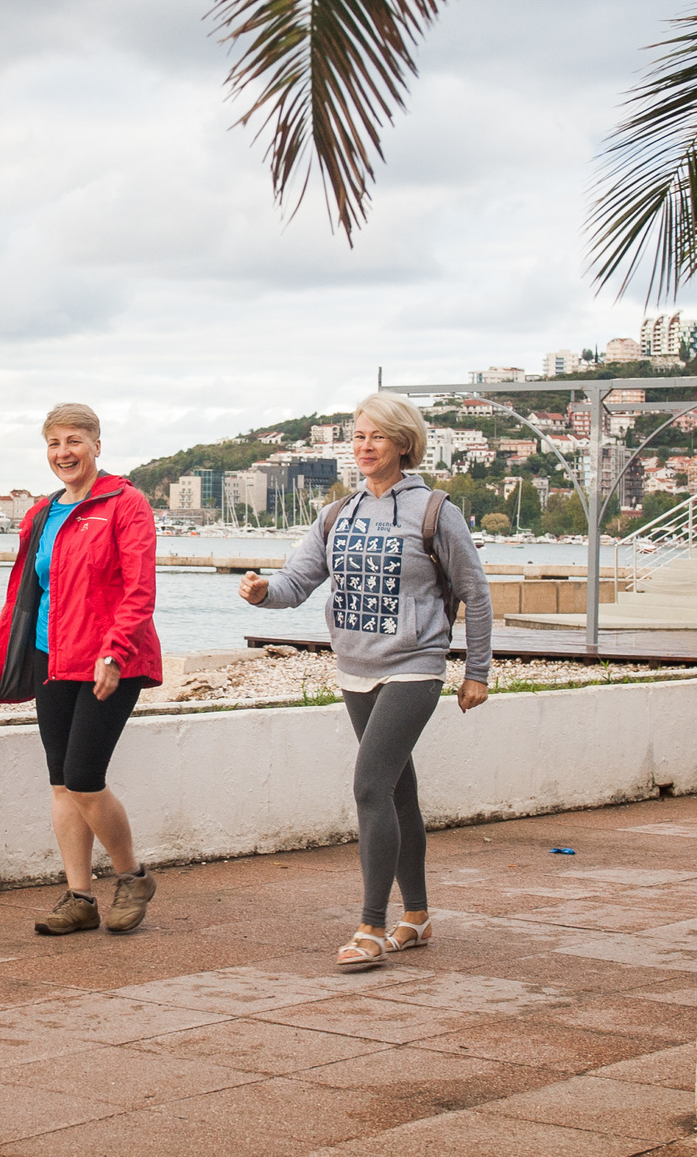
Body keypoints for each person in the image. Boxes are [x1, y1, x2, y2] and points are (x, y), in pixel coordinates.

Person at [240, 392, 492, 971]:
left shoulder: (433, 510)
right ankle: (419, 916)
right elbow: (297, 581)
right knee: (398, 793)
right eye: (357, 436)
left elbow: (475, 593)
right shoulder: (337, 513)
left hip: (416, 665)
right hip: (356, 668)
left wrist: (476, 672)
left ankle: (372, 926)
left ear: (403, 443)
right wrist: (262, 594)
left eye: (377, 436)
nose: (365, 446)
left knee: (369, 787)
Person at [0, 403, 163, 936]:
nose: (63, 453)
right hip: (48, 658)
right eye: (54, 444)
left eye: (74, 441)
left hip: (108, 660)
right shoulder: (42, 512)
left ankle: (132, 876)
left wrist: (115, 652)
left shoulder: (126, 504)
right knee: (60, 783)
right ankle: (79, 897)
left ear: (97, 445)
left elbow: (138, 589)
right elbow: (24, 595)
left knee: (84, 778)